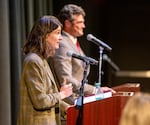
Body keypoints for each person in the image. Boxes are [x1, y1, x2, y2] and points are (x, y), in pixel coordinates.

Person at [49, 4, 115, 105]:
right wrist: (94, 90)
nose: (83, 26)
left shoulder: (73, 42)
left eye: (83, 22)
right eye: (79, 22)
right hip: (69, 104)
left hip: (78, 100)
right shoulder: (63, 44)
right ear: (67, 23)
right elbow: (66, 79)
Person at [17, 15, 73, 125]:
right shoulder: (33, 61)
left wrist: (69, 109)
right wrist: (62, 94)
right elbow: (40, 101)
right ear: (45, 36)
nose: (61, 38)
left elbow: (50, 95)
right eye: (57, 33)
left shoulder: (42, 60)